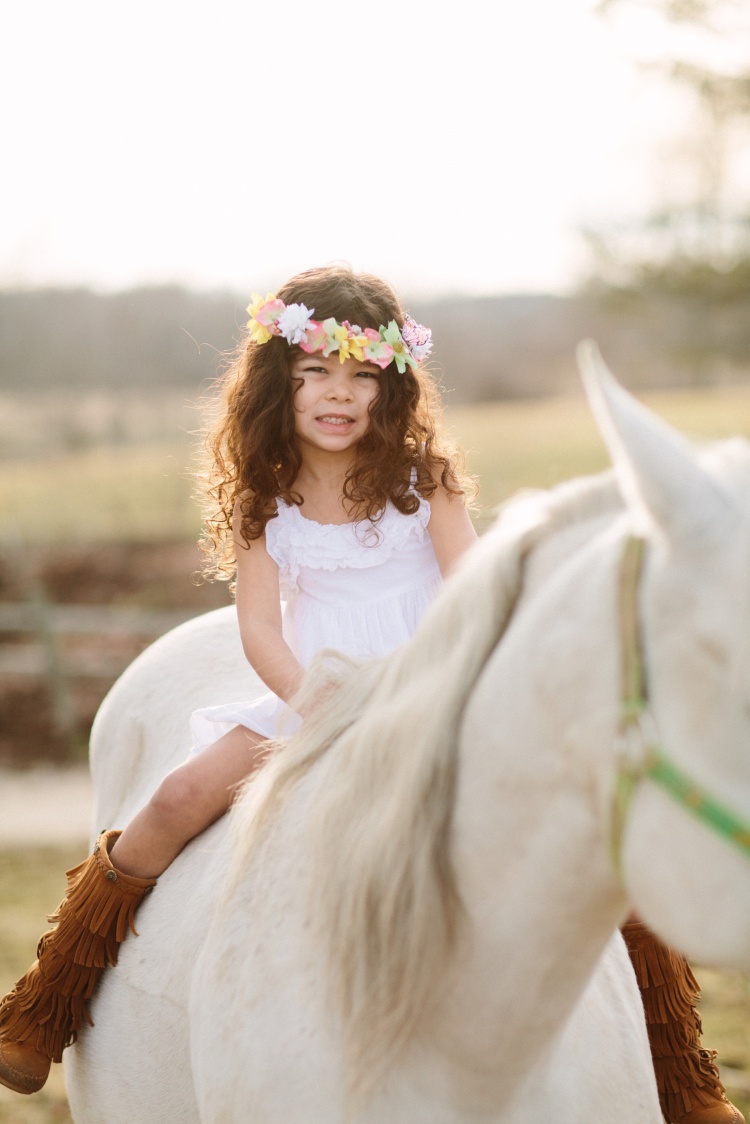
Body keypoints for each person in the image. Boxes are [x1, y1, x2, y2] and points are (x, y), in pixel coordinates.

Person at [0, 264, 478, 1095]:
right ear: (277, 383)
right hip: (316, 696)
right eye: (315, 374)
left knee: (579, 805)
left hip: (433, 687)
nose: (340, 394)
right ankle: (45, 1004)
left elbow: (471, 592)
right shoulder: (269, 497)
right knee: (179, 797)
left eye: (362, 375)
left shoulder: (422, 479)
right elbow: (259, 628)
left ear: (390, 385)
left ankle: (673, 1064)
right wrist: (313, 701)